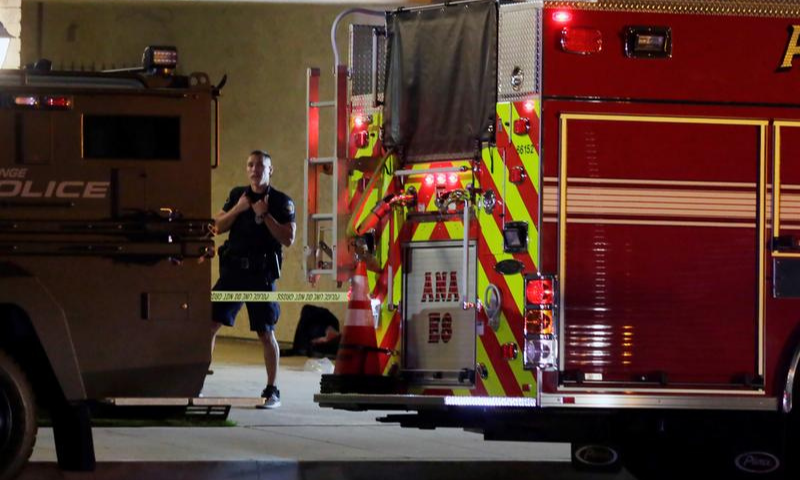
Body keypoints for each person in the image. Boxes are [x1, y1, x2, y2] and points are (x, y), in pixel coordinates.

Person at [211, 150, 295, 409]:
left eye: (261, 165)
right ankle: (196, 383)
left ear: (271, 170)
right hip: (233, 273)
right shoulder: (238, 195)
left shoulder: (281, 201)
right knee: (208, 325)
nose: (255, 169)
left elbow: (288, 238)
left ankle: (272, 390)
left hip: (261, 275)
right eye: (251, 164)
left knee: (265, 332)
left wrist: (265, 215)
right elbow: (216, 226)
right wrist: (239, 209)